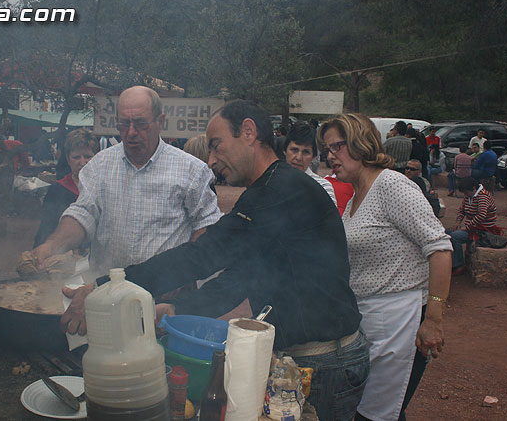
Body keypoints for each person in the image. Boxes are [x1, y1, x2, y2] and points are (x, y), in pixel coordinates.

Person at [62, 100, 369, 421]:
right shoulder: (269, 190)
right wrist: (181, 308)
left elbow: (205, 254)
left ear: (248, 132)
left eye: (216, 145)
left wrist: (110, 288)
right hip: (309, 357)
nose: (211, 159)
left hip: (325, 362)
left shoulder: (280, 191)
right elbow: (243, 276)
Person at [319, 113, 452, 421]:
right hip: (371, 318)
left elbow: (440, 248)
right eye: (327, 149)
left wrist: (433, 319)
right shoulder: (356, 196)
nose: (330, 156)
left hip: (399, 319)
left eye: (336, 147)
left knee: (379, 412)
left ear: (360, 143)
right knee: (371, 410)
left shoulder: (391, 185)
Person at [28, 85, 222, 277]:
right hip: (106, 289)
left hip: (165, 290)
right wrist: (51, 246)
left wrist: (184, 272)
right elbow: (83, 214)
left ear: (160, 121)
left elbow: (206, 225)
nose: (130, 133)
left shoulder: (192, 171)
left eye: (140, 124)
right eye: (123, 125)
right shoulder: (99, 166)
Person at [33, 129, 99, 248]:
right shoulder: (57, 191)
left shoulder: (103, 189)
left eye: (88, 156)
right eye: (76, 157)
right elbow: (45, 230)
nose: (82, 162)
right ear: (68, 159)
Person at [446, 177, 501, 275]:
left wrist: (467, 227)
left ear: (473, 189)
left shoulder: (483, 196)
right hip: (471, 228)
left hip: (482, 230)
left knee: (455, 237)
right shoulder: (469, 196)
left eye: (466, 192)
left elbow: (481, 216)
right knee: (447, 232)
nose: (465, 195)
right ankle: (451, 261)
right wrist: (457, 223)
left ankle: (459, 264)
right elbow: (461, 210)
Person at [284, 122, 337, 207]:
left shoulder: (323, 187)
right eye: (294, 150)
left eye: (305, 152)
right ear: (284, 151)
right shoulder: (270, 183)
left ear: (313, 156)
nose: (299, 157)